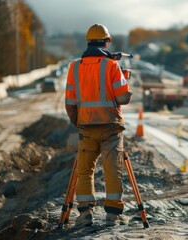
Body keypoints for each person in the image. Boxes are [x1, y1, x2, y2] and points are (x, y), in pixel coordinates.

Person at [64, 23, 132, 227]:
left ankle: (85, 215)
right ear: (107, 41)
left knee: (85, 172)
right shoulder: (111, 66)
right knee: (112, 170)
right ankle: (112, 216)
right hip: (111, 128)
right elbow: (123, 97)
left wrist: (80, 123)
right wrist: (126, 82)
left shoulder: (74, 67)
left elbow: (70, 102)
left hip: (86, 127)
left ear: (88, 42)